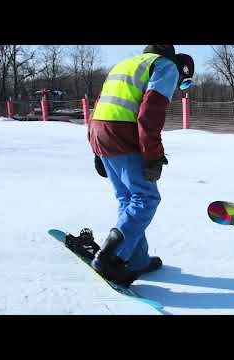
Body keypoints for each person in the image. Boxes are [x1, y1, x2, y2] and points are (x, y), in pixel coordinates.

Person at [86, 45, 194, 285]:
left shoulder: (126, 64)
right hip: (123, 133)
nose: (178, 88)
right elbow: (150, 114)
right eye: (183, 83)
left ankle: (137, 260)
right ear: (178, 67)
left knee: (127, 198)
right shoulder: (166, 67)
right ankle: (110, 256)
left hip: (100, 131)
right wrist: (153, 155)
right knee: (146, 198)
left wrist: (96, 149)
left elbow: (100, 104)